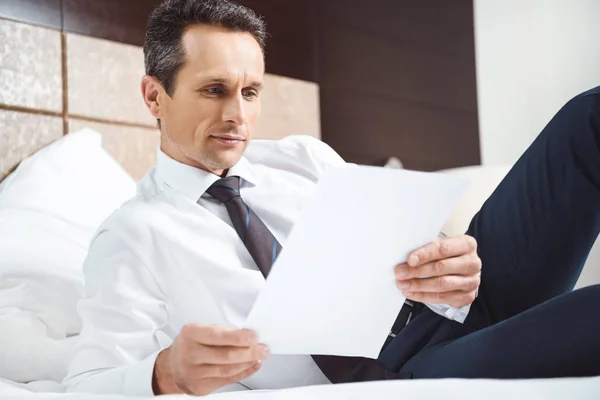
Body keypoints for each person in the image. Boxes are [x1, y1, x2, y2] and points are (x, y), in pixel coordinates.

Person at [64, 0, 600, 396]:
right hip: (396, 373)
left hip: (459, 305)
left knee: (589, 117)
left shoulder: (302, 158)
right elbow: (85, 384)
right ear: (154, 95)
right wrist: (165, 372)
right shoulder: (132, 236)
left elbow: (405, 250)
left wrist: (449, 263)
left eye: (250, 92)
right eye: (214, 90)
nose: (237, 116)